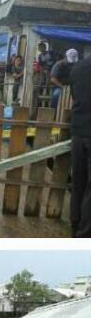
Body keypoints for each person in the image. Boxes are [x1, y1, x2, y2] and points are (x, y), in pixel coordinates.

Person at [69, 52, 91, 236]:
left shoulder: (77, 68)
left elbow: (75, 97)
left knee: (78, 182)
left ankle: (74, 225)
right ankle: (84, 234)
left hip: (78, 132)